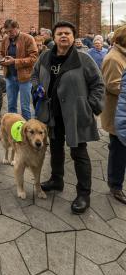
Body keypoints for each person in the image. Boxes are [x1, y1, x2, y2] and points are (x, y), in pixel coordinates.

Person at [32, 21, 104, 214]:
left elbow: (98, 84)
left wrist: (89, 106)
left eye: (67, 34)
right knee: (55, 149)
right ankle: (57, 179)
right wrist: (36, 88)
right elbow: (34, 75)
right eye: (59, 34)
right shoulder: (45, 56)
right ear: (54, 37)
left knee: (79, 153)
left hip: (75, 115)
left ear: (73, 37)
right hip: (52, 114)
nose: (63, 36)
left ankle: (83, 194)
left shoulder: (83, 59)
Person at [101, 26, 126, 204]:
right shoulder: (113, 58)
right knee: (118, 150)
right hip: (117, 113)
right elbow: (112, 85)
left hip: (122, 111)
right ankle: (115, 185)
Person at [0, 19, 38, 120]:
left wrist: (15, 61)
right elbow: (0, 53)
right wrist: (2, 60)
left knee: (25, 107)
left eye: (11, 31)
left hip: (25, 77)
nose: (8, 34)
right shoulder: (5, 39)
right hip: (10, 76)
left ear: (17, 28)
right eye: (6, 31)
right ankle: (12, 130)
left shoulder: (28, 38)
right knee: (11, 106)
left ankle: (27, 131)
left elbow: (34, 58)